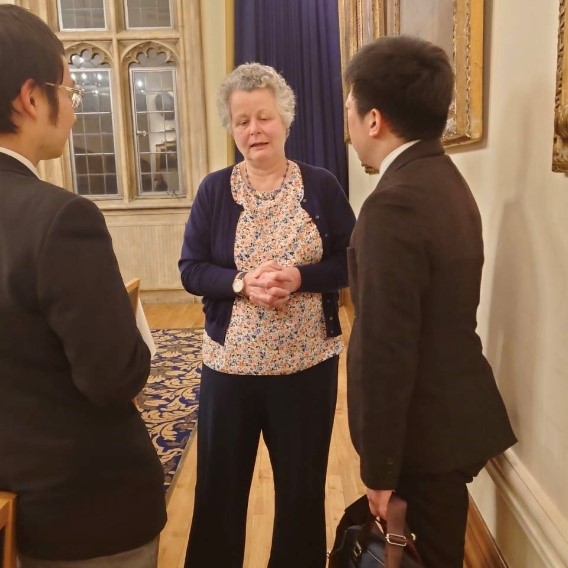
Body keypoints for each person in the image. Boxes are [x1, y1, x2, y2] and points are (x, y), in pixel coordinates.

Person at [0, 6, 166, 567]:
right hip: (79, 509)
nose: (74, 107)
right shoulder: (60, 217)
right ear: (31, 98)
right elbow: (113, 376)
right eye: (69, 90)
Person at [344, 35, 517, 567]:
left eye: (350, 108)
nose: (348, 122)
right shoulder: (443, 177)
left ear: (374, 119)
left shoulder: (393, 204)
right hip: (448, 420)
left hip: (421, 435)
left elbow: (387, 349)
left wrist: (380, 469)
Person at [179, 62, 355, 568]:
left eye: (264, 117)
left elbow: (350, 260)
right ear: (232, 129)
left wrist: (300, 277)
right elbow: (191, 269)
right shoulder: (215, 190)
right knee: (218, 494)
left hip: (307, 367)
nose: (254, 129)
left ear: (285, 121)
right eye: (242, 121)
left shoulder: (321, 186)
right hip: (229, 369)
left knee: (301, 493)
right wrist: (240, 283)